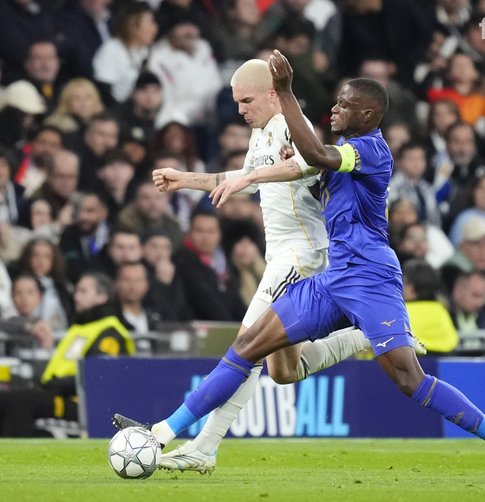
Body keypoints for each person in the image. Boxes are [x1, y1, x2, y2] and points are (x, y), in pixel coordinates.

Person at [118, 51, 485, 483]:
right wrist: (199, 179)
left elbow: (314, 155)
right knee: (256, 353)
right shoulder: (332, 149)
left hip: (368, 276)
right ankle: (163, 435)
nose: (334, 108)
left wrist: (287, 95)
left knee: (410, 381)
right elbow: (312, 173)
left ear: (367, 115)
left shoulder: (370, 150)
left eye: (345, 105)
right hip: (331, 279)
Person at [150, 59, 379, 472]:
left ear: (273, 94)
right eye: (236, 101)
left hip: (302, 256)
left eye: (247, 100)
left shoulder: (293, 124)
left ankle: (201, 445)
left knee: (247, 345)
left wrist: (249, 179)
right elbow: (242, 177)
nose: (240, 110)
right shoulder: (261, 131)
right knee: (285, 369)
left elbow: (308, 164)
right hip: (280, 255)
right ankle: (362, 338)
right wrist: (185, 178)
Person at [0, 272, 134, 437]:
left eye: (83, 291)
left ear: (102, 297)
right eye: (77, 291)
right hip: (58, 393)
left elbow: (98, 377)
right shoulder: (80, 328)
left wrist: (54, 384)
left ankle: (15, 452)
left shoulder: (110, 332)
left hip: (81, 403)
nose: (76, 297)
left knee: (21, 401)